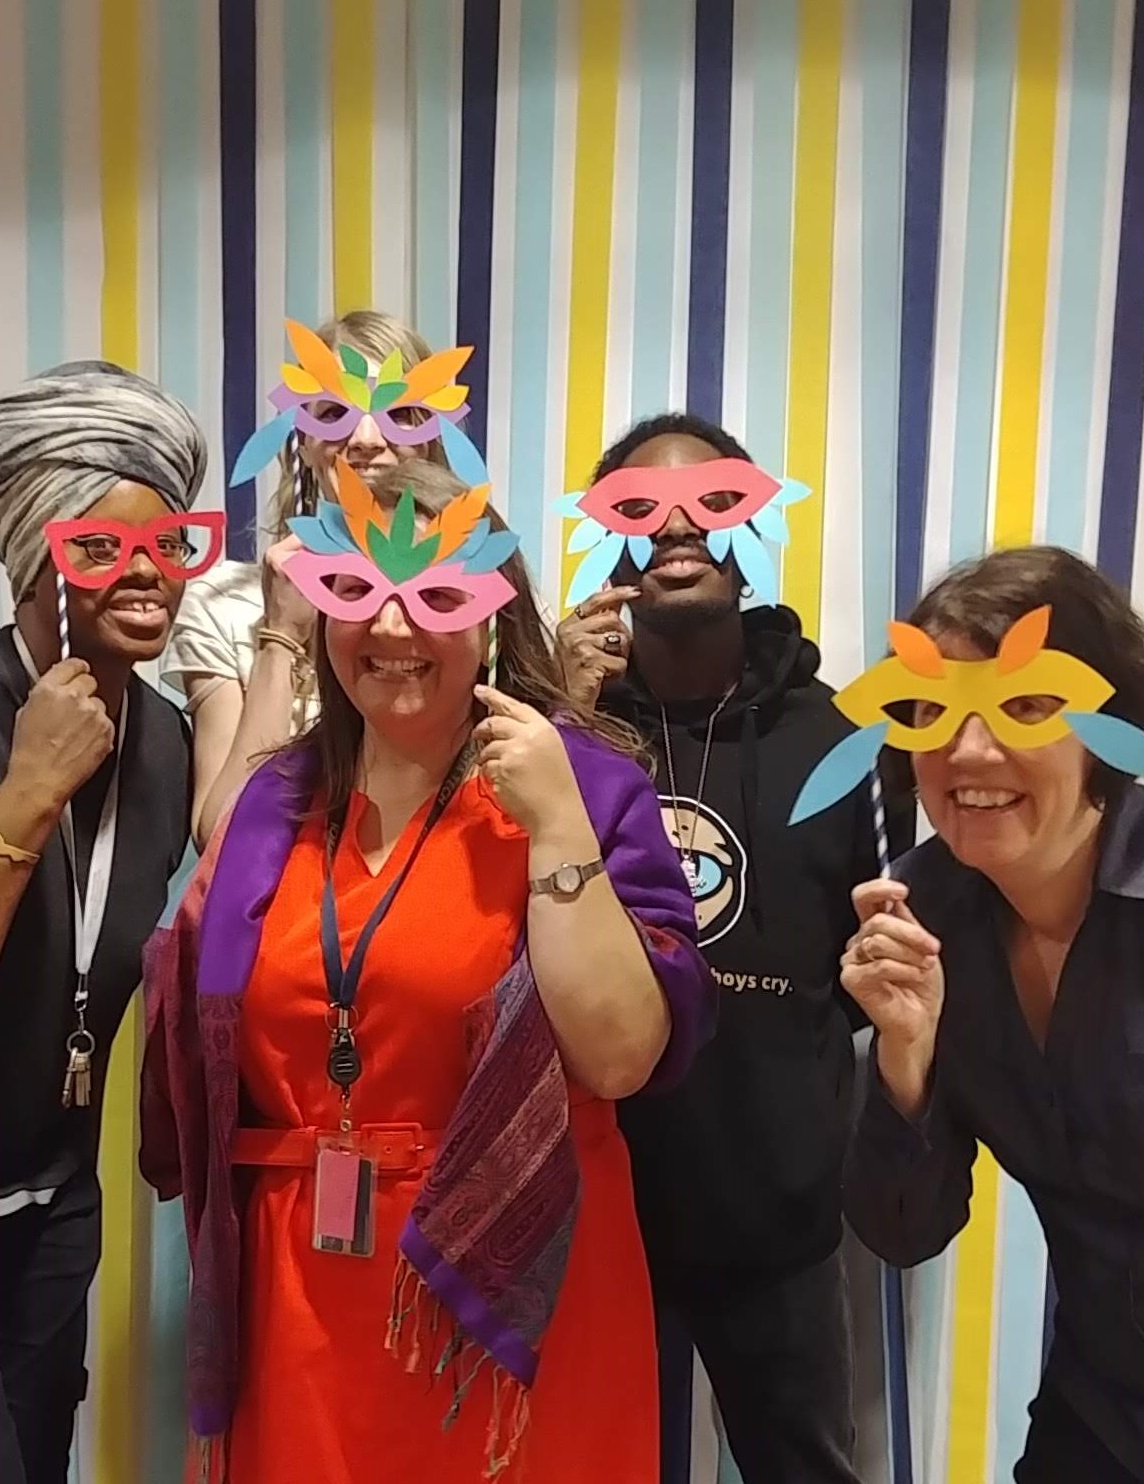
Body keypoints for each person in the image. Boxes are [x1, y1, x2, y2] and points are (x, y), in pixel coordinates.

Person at [140, 456, 715, 1484]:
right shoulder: (273, 803)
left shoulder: (583, 782)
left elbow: (623, 1056)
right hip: (294, 1293)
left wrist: (556, 831)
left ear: (494, 613)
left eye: (438, 592)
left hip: (510, 1293)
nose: (396, 629)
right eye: (356, 589)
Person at [558, 411, 913, 1484]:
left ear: (752, 524)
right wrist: (562, 711)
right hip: (598, 1211)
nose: (676, 526)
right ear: (605, 538)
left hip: (782, 1220)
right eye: (638, 505)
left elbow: (869, 965)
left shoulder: (840, 738)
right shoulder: (557, 725)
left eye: (708, 500)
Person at [0, 361, 205, 1484]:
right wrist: (27, 792)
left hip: (52, 1202)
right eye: (100, 548)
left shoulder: (165, 741)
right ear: (32, 554)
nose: (147, 576)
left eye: (173, 545)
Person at [842, 546, 1144, 1484]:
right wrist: (904, 1059)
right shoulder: (919, 914)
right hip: (1097, 1414)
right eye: (933, 709)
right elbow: (902, 1230)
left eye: (1025, 705)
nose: (970, 749)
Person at [163, 309, 449, 849]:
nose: (365, 438)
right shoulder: (223, 604)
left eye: (400, 412)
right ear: (303, 437)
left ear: (435, 436)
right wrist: (280, 637)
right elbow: (220, 837)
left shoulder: (475, 597)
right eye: (335, 412)